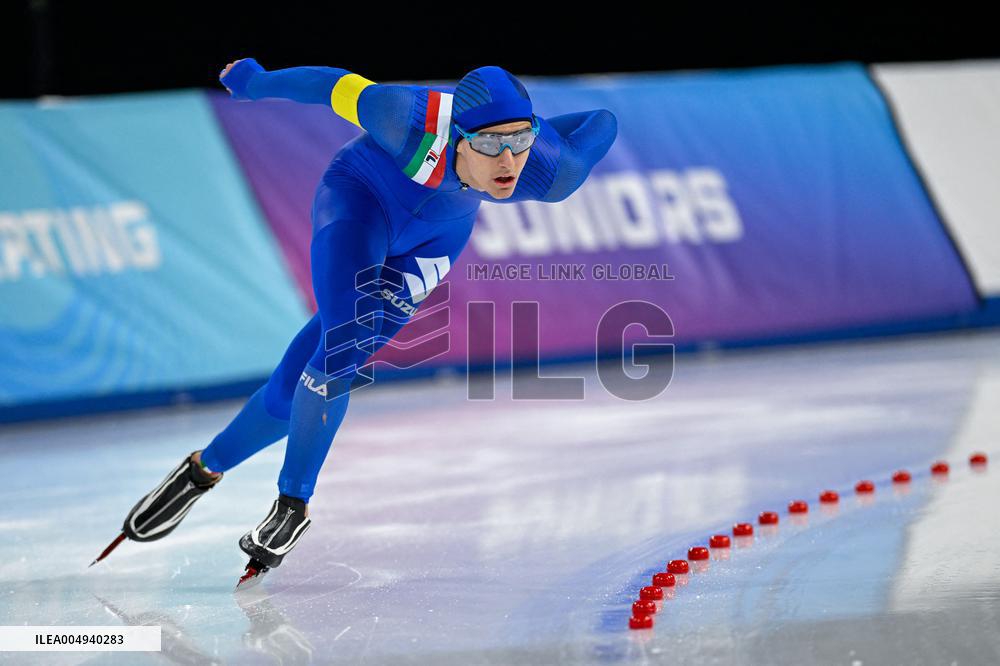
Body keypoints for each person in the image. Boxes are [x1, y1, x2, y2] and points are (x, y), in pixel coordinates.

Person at [100, 58, 618, 585]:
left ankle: (201, 470)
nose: (506, 161)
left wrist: (533, 131)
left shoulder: (548, 170)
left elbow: (602, 120)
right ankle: (291, 504)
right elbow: (329, 85)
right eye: (487, 144)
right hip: (358, 202)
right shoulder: (404, 117)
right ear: (457, 137)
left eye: (519, 141)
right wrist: (254, 82)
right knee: (339, 348)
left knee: (298, 387)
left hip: (435, 239)